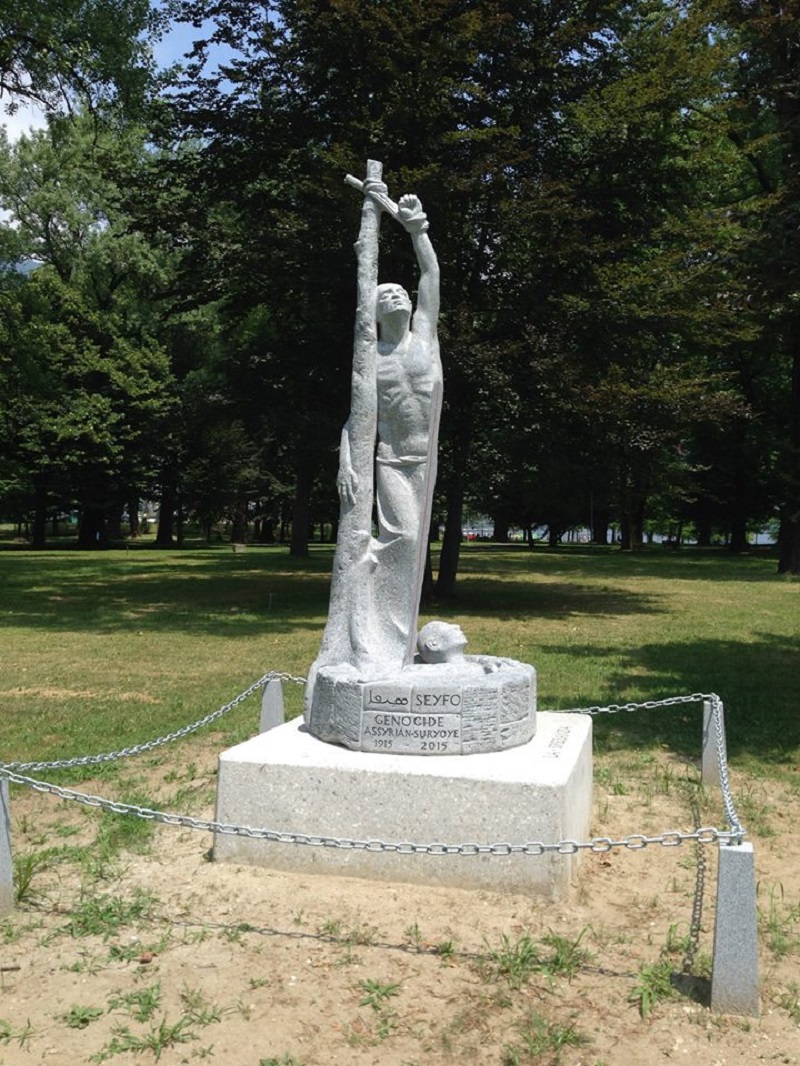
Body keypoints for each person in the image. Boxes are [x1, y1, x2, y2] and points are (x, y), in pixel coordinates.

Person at [336, 188, 442, 666]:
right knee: (402, 539)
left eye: (399, 292)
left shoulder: (425, 335)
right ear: (374, 314)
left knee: (414, 547)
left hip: (427, 458)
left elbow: (429, 274)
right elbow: (355, 421)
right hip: (393, 461)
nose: (397, 293)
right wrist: (345, 463)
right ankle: (369, 620)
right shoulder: (373, 362)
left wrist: (415, 229)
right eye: (385, 294)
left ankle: (391, 643)